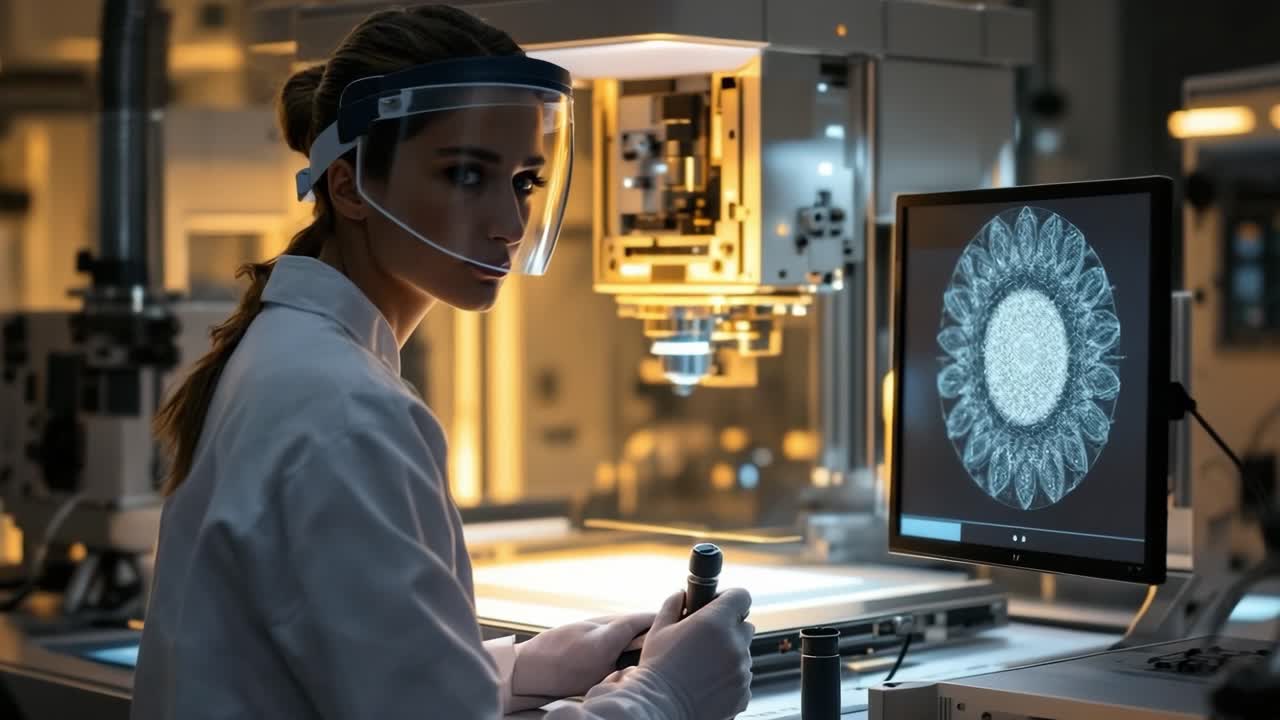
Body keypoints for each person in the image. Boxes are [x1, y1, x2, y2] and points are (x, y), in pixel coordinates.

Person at [129, 5, 755, 720]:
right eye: (464, 174)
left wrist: (524, 668)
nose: (510, 224)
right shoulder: (346, 412)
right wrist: (662, 697)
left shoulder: (291, 358)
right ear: (350, 184)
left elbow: (357, 672)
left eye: (523, 180)